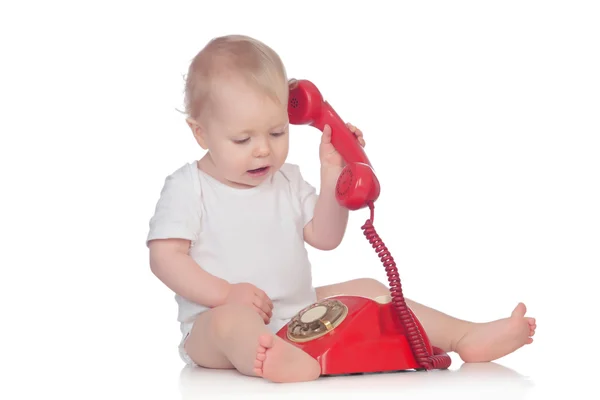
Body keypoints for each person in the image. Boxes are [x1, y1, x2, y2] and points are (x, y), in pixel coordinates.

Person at [146, 34, 536, 383]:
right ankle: (272, 359)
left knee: (371, 290)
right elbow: (165, 258)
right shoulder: (189, 187)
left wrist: (335, 172)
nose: (263, 148)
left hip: (297, 310)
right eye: (242, 138)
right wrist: (225, 294)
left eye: (277, 132)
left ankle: (464, 335)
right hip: (214, 324)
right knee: (233, 322)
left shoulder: (287, 180)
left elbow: (326, 237)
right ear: (201, 133)